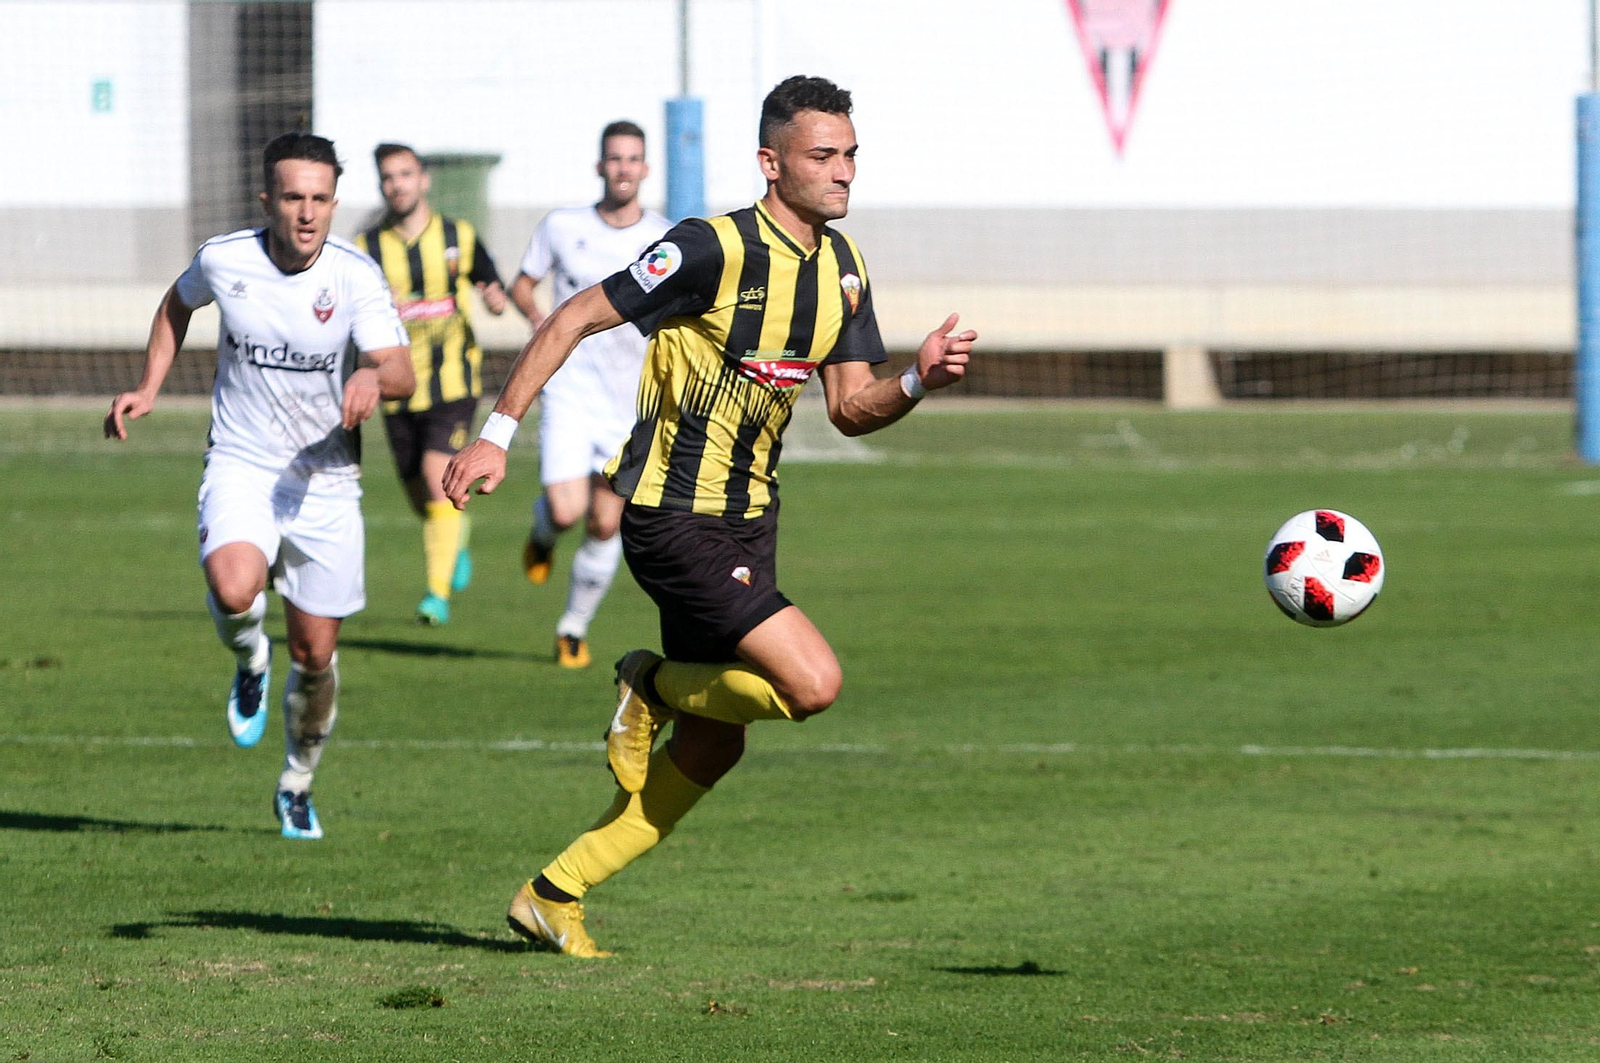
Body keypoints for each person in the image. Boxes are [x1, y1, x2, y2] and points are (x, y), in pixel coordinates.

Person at [443, 75, 977, 956]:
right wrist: (497, 434)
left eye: (850, 155)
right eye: (823, 156)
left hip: (751, 519)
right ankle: (647, 681)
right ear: (772, 163)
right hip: (670, 511)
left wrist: (918, 380)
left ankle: (554, 890)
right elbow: (575, 314)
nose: (843, 173)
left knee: (716, 746)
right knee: (813, 683)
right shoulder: (708, 248)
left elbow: (850, 406)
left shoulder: (842, 268)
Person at [105, 132, 414, 841]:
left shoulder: (354, 276)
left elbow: (400, 371)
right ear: (267, 199)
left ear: (334, 201)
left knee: (316, 656)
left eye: (319, 199)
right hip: (243, 460)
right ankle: (250, 656)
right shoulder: (225, 259)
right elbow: (176, 304)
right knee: (233, 586)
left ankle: (296, 784)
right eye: (293, 198)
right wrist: (149, 386)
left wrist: (371, 375)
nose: (307, 213)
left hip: (328, 479)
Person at [508, 120, 670, 668]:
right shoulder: (562, 226)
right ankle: (543, 531)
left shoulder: (667, 238)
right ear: (600, 166)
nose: (623, 168)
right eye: (614, 158)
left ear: (645, 169)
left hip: (629, 401)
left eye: (633, 159)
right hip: (570, 392)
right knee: (566, 507)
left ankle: (572, 629)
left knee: (606, 522)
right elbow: (523, 283)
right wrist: (542, 325)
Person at [356, 143, 507, 626]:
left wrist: (495, 296)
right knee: (422, 496)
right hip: (397, 389)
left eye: (405, 174)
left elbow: (492, 285)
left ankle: (435, 595)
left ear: (424, 180)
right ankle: (454, 538)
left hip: (453, 384)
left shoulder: (458, 236)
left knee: (435, 474)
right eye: (388, 177)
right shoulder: (365, 250)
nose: (397, 184)